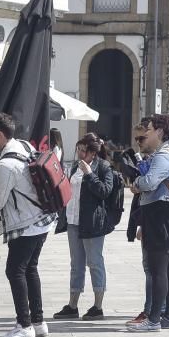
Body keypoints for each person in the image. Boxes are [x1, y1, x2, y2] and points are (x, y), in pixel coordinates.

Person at [0, 112, 57, 337]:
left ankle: (24, 325)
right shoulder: (24, 146)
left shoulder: (5, 164)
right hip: (43, 219)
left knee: (14, 271)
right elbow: (13, 188)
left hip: (26, 224)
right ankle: (38, 322)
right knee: (30, 269)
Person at [128, 114, 169, 332]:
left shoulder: (164, 155)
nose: (145, 133)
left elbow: (149, 182)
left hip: (161, 215)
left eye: (149, 129)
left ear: (159, 132)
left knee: (158, 270)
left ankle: (154, 319)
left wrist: (136, 183)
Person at [53, 133, 114, 321]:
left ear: (92, 153)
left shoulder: (103, 167)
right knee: (76, 264)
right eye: (78, 149)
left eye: (82, 150)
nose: (79, 153)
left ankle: (98, 306)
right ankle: (72, 305)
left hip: (92, 224)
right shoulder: (74, 167)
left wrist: (89, 174)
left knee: (95, 262)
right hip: (73, 221)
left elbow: (104, 191)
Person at [125, 123, 163, 327]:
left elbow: (150, 190)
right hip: (149, 218)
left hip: (155, 220)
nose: (138, 143)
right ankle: (157, 310)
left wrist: (138, 184)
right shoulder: (152, 160)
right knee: (154, 268)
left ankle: (152, 311)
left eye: (142, 138)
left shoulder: (158, 161)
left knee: (153, 268)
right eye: (136, 139)